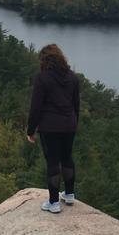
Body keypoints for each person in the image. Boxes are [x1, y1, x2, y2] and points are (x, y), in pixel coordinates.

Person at [26, 44, 80, 213]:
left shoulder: (42, 78)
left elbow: (36, 107)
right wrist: (73, 123)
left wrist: (30, 130)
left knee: (52, 162)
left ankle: (54, 202)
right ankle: (69, 194)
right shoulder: (72, 77)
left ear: (44, 60)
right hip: (69, 125)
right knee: (67, 158)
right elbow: (76, 104)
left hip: (50, 127)